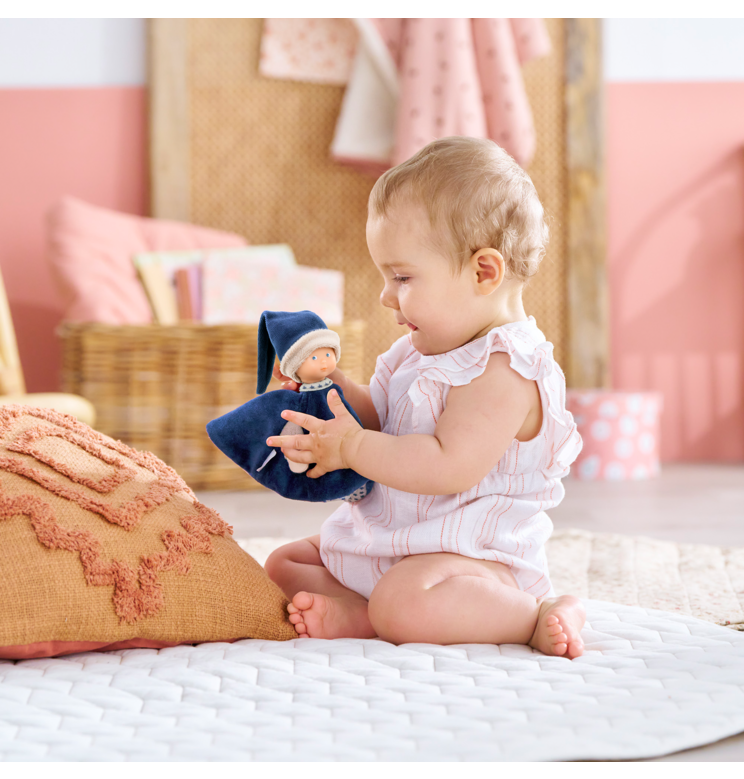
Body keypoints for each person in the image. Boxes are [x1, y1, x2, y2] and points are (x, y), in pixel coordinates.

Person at [264, 136, 586, 658]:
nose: (386, 295)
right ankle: (363, 613)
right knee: (285, 566)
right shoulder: (418, 349)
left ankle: (534, 613)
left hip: (467, 558)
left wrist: (350, 449)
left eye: (403, 277)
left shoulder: (505, 368)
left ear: (485, 272)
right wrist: (334, 390)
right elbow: (385, 419)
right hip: (396, 539)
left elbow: (446, 465)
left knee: (404, 601)